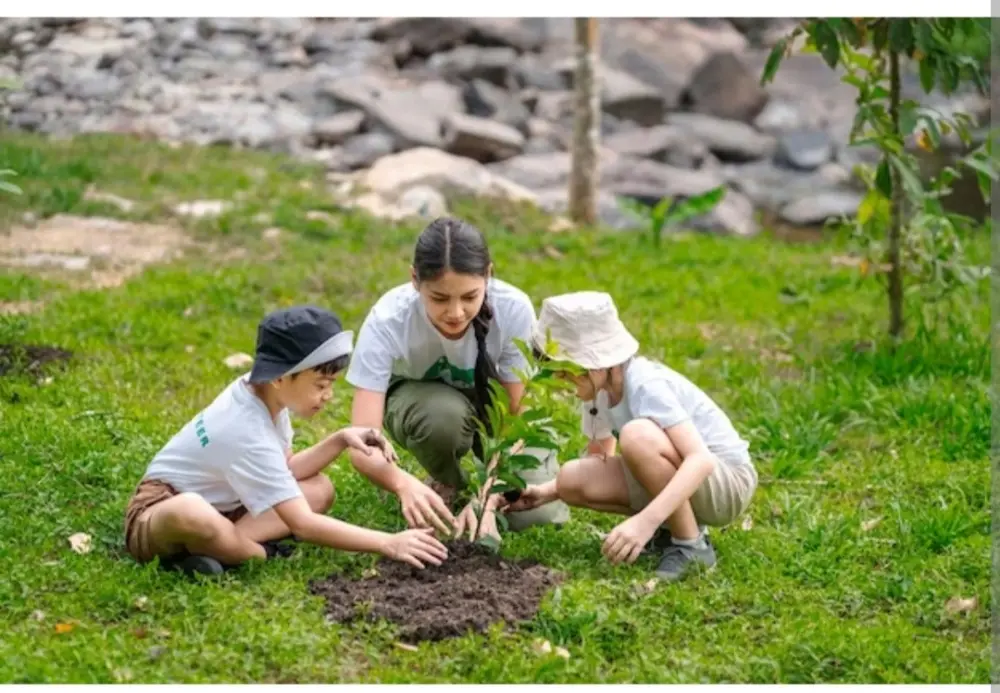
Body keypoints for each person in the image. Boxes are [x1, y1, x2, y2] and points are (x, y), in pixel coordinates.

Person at [123, 305, 448, 576]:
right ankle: (256, 554)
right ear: (281, 377)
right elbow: (303, 525)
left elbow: (287, 469)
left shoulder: (266, 397)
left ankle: (215, 552)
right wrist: (388, 542)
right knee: (192, 512)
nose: (328, 396)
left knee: (320, 490)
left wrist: (341, 439)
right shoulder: (244, 428)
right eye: (321, 385)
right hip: (159, 514)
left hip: (227, 506)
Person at [504, 291, 757, 581]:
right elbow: (601, 460)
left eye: (564, 370)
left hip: (728, 483)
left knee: (637, 436)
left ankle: (691, 546)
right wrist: (545, 493)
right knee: (571, 479)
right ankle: (669, 533)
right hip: (691, 479)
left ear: (594, 363)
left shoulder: (645, 384)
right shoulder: (599, 391)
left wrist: (644, 522)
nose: (559, 379)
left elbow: (700, 460)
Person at [345, 216, 569, 539]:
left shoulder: (513, 310)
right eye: (439, 298)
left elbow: (518, 417)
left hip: (496, 413)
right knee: (443, 418)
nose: (455, 313)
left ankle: (473, 488)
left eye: (469, 297)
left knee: (535, 515)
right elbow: (361, 442)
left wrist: (486, 499)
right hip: (428, 408)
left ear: (488, 275)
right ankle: (449, 479)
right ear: (414, 280)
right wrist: (400, 483)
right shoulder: (388, 320)